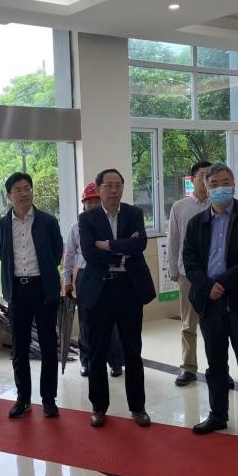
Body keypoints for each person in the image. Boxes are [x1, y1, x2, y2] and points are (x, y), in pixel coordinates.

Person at [182, 163, 238, 445]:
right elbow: (190, 261)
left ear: (234, 185)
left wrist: (223, 283)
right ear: (205, 187)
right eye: (214, 184)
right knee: (215, 364)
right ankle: (218, 415)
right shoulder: (197, 223)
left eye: (225, 182)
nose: (220, 188)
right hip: (209, 302)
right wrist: (208, 286)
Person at [78, 168, 156, 428]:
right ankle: (99, 408)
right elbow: (90, 253)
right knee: (97, 352)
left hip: (129, 289)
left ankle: (138, 407)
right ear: (99, 189)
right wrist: (124, 248)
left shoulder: (134, 214)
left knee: (133, 350)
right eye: (108, 185)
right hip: (99, 291)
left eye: (118, 185)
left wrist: (109, 245)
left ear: (123, 187)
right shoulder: (87, 219)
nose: (114, 190)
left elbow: (140, 244)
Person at [0, 172, 64, 418]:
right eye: (18, 189)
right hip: (17, 291)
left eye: (27, 188)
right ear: (9, 195)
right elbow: (3, 254)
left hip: (43, 288)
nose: (24, 193)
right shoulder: (2, 225)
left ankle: (49, 399)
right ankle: (23, 398)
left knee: (48, 345)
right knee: (20, 347)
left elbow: (57, 252)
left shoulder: (47, 221)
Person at [63, 183, 124, 377]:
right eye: (89, 202)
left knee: (112, 321)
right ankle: (86, 361)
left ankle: (115, 362)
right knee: (86, 322)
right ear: (83, 205)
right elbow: (69, 256)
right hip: (85, 277)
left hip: (109, 276)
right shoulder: (76, 228)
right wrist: (67, 281)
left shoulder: (110, 225)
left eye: (97, 201)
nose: (93, 205)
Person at [167, 161, 212, 387]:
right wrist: (173, 269)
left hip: (215, 274)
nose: (205, 180)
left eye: (209, 176)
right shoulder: (180, 207)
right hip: (188, 274)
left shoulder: (219, 205)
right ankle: (188, 367)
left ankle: (218, 368)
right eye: (201, 175)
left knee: (216, 324)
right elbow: (173, 238)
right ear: (192, 179)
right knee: (188, 323)